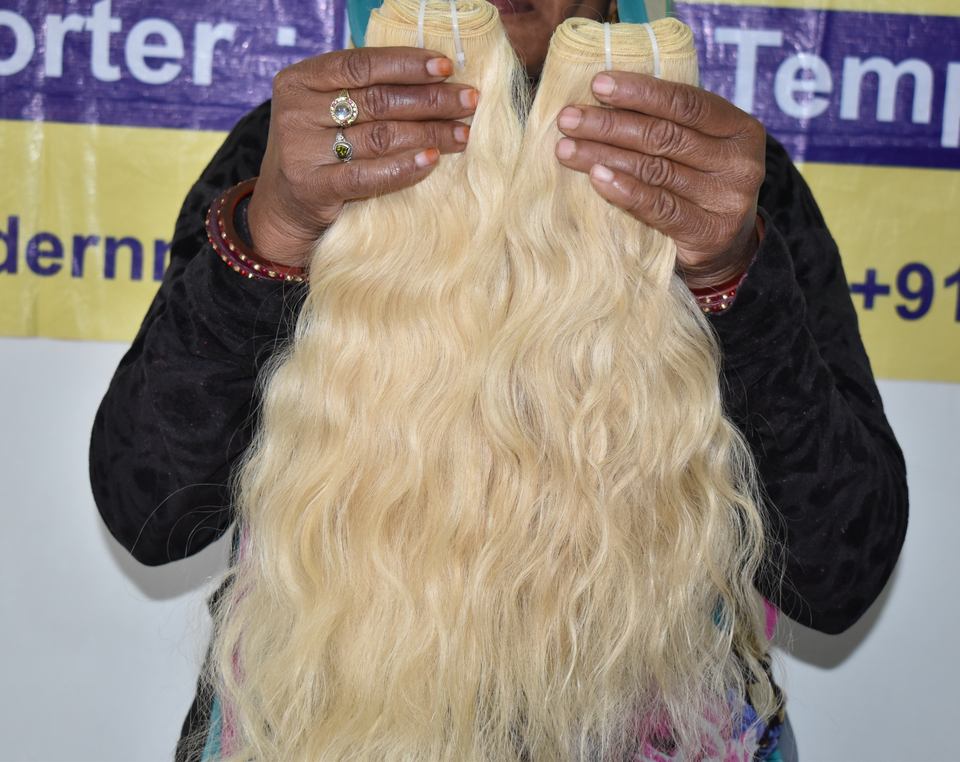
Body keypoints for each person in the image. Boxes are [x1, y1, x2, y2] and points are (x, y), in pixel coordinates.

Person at [89, 0, 908, 758]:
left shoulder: (705, 172)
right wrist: (272, 227)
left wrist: (732, 275)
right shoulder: (316, 145)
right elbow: (150, 511)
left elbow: (838, 577)